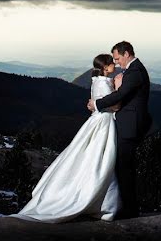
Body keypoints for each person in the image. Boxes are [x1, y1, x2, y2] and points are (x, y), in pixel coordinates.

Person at [8, 54, 121, 223]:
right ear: (105, 67)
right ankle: (99, 203)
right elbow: (113, 105)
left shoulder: (96, 80)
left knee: (90, 156)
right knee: (102, 159)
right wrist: (119, 90)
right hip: (104, 123)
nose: (115, 65)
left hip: (96, 121)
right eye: (112, 63)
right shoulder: (105, 83)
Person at [87, 40, 152, 219]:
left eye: (117, 59)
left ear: (126, 54)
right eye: (113, 60)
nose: (116, 63)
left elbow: (121, 95)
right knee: (122, 167)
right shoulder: (131, 70)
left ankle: (130, 210)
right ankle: (126, 207)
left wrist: (97, 103)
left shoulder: (135, 72)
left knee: (125, 168)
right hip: (125, 124)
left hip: (130, 126)